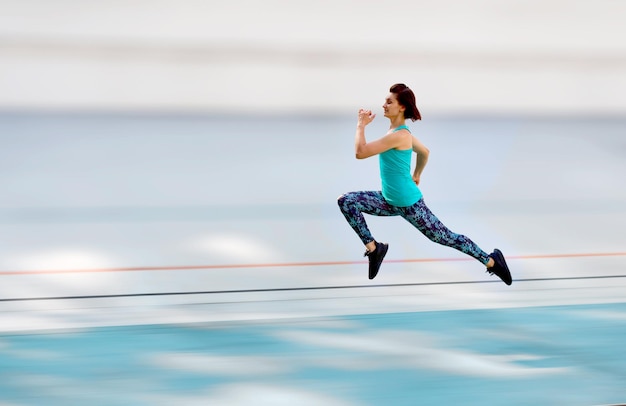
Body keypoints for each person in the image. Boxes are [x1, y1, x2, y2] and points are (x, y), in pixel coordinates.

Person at [337, 83, 512, 285]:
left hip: (410, 205)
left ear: (401, 107)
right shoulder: (401, 132)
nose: (383, 105)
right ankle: (375, 249)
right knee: (347, 201)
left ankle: (492, 261)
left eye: (389, 102)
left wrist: (361, 124)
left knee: (446, 237)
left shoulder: (400, 135)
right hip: (388, 199)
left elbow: (360, 152)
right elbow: (424, 151)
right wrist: (417, 175)